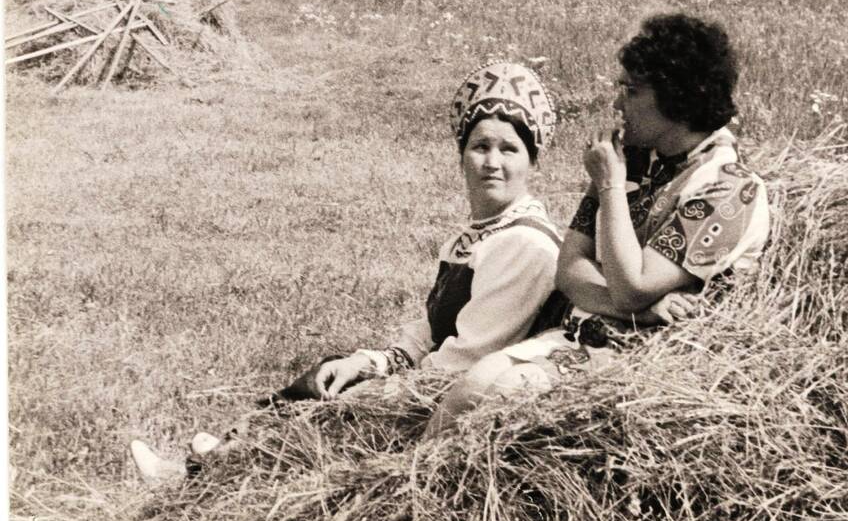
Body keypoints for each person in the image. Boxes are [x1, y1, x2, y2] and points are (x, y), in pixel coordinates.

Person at [130, 60, 564, 481]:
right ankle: (211, 467)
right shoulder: (478, 235)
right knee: (327, 374)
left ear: (532, 162)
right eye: (480, 146)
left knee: (331, 404)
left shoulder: (524, 244)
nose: (493, 162)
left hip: (459, 404)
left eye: (510, 149)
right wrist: (370, 361)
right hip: (441, 378)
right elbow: (431, 328)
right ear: (461, 155)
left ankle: (205, 474)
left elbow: (465, 362)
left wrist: (380, 386)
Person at [425, 14, 771, 436]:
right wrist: (641, 310)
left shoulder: (728, 188)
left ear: (676, 97)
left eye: (632, 90)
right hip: (592, 337)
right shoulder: (637, 160)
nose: (618, 103)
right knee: (473, 386)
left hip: (651, 364)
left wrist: (608, 186)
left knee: (501, 395)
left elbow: (631, 285)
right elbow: (569, 270)